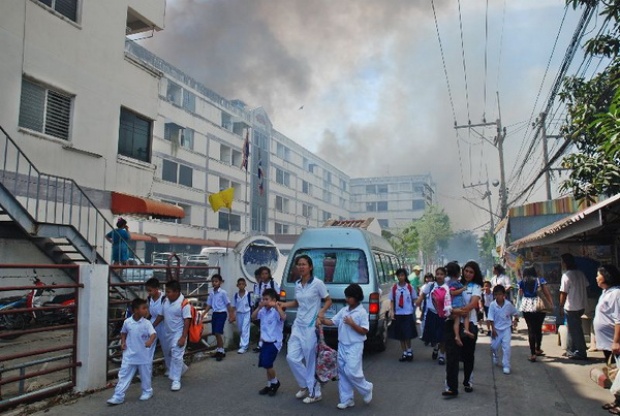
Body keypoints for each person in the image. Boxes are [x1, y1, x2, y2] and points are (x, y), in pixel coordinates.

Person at [280, 255, 332, 404]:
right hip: (298, 325)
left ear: (310, 267)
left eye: (304, 264)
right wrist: (284, 305)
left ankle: (315, 392)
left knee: (310, 361)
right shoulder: (297, 284)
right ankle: (305, 385)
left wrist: (321, 313)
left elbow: (328, 300)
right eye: (299, 265)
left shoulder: (317, 283)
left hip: (310, 326)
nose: (301, 267)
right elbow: (298, 302)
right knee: (291, 357)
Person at [320, 284, 373, 409]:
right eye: (346, 297)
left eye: (349, 297)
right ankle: (347, 399)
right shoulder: (344, 310)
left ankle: (366, 388)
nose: (347, 299)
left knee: (352, 371)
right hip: (342, 344)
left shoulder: (361, 312)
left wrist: (352, 324)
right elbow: (332, 321)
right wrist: (322, 319)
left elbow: (364, 330)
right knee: (343, 373)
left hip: (355, 345)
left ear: (356, 297)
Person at [443, 261, 483, 397]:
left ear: (475, 274)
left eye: (471, 272)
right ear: (462, 271)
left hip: (469, 322)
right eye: (466, 271)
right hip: (453, 321)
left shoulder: (476, 287)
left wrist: (461, 311)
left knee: (468, 355)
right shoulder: (454, 284)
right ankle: (451, 387)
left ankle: (468, 381)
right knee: (452, 355)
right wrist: (453, 311)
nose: (468, 274)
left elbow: (473, 303)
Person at [107, 298, 156, 405]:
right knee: (124, 375)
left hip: (143, 356)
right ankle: (118, 396)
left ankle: (147, 391)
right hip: (129, 355)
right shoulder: (127, 322)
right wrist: (123, 342)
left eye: (146, 308)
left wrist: (150, 341)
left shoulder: (147, 323)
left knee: (145, 375)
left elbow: (153, 334)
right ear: (135, 310)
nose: (146, 310)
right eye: (143, 308)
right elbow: (123, 332)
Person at [153, 280, 191, 391]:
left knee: (176, 354)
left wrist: (183, 337)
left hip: (178, 333)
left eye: (169, 292)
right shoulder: (165, 301)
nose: (167, 294)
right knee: (169, 354)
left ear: (177, 292)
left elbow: (187, 320)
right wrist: (152, 326)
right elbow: (160, 315)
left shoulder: (184, 303)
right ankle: (182, 368)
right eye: (166, 291)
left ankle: (176, 380)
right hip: (167, 333)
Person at [592, 265, 620, 414]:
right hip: (607, 342)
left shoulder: (616, 294)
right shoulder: (605, 292)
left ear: (606, 276)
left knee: (619, 373)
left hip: (613, 342)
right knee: (614, 372)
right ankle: (617, 400)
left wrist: (616, 341)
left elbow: (619, 320)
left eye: (599, 275)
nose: (596, 278)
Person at [252, 288, 286, 397]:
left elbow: (283, 317)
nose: (265, 301)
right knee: (266, 365)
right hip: (264, 341)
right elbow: (253, 317)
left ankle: (275, 383)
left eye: (267, 299)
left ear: (273, 300)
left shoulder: (276, 311)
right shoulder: (262, 311)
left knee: (267, 363)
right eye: (263, 299)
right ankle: (269, 384)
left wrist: (276, 306)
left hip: (274, 342)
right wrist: (259, 307)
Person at [518, 265, 553, 362]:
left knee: (531, 329)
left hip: (526, 305)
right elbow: (546, 292)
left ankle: (533, 354)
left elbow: (520, 294)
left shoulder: (522, 282)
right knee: (538, 327)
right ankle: (538, 348)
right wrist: (550, 303)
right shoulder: (540, 280)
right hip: (539, 304)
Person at [559, 253, 589, 360]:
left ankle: (581, 352)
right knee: (572, 329)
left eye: (562, 262)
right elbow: (586, 286)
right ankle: (570, 350)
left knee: (575, 330)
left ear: (565, 263)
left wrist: (561, 306)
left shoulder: (566, 275)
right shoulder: (580, 273)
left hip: (571, 306)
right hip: (581, 305)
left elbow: (563, 292)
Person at [417, 267, 448, 364]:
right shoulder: (430, 285)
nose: (439, 276)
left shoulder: (448, 287)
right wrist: (417, 303)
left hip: (443, 315)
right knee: (434, 336)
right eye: (437, 274)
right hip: (432, 314)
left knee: (443, 336)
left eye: (441, 274)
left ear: (445, 276)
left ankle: (442, 355)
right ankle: (436, 348)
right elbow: (421, 296)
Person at [204, 274, 236, 361]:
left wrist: (231, 315)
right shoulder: (211, 293)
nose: (214, 283)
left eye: (216, 281)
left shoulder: (223, 293)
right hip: (215, 314)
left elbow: (228, 304)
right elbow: (209, 304)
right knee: (215, 332)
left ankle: (221, 351)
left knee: (218, 332)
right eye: (213, 281)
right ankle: (219, 349)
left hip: (221, 313)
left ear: (220, 282)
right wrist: (204, 313)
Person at [389, 268, 418, 362]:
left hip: (408, 313)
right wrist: (392, 311)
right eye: (399, 275)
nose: (401, 277)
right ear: (397, 276)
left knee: (408, 334)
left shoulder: (409, 287)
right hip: (398, 314)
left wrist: (418, 307)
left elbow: (415, 299)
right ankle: (404, 352)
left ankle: (409, 350)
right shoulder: (394, 288)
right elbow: (392, 300)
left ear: (405, 276)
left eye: (402, 275)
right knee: (401, 335)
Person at [488, 285, 518, 375]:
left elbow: (516, 313)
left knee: (506, 347)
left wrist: (515, 320)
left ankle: (506, 365)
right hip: (496, 329)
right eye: (496, 294)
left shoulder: (508, 305)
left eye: (500, 294)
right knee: (494, 346)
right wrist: (492, 329)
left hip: (506, 329)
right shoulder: (492, 305)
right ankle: (495, 354)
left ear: (504, 295)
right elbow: (491, 318)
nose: (498, 296)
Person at [253, 266, 280, 353]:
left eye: (266, 273)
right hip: (263, 308)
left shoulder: (272, 283)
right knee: (262, 326)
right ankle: (260, 344)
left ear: (269, 274)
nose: (264, 276)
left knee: (271, 325)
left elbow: (278, 294)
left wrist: (274, 304)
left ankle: (273, 341)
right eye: (262, 274)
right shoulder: (259, 284)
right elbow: (257, 295)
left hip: (271, 308)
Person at [145, 278, 168, 372]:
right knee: (148, 348)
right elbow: (150, 313)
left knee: (166, 348)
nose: (149, 292)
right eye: (148, 290)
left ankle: (172, 369)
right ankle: (147, 372)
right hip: (153, 323)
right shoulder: (149, 298)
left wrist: (152, 326)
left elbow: (161, 316)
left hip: (163, 325)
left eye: (150, 290)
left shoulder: (164, 299)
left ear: (157, 288)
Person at [448, 276, 473, 346]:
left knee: (457, 321)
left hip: (456, 304)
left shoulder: (452, 282)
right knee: (466, 314)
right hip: (457, 304)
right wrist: (462, 289)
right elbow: (452, 292)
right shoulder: (454, 283)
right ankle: (466, 330)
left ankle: (457, 336)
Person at [233, 277, 252, 354]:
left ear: (245, 285)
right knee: (241, 330)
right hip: (239, 314)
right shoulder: (236, 295)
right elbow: (234, 306)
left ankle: (244, 346)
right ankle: (243, 342)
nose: (241, 285)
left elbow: (251, 305)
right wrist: (232, 315)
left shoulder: (248, 295)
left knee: (245, 329)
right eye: (239, 284)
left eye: (242, 284)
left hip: (247, 313)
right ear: (237, 285)